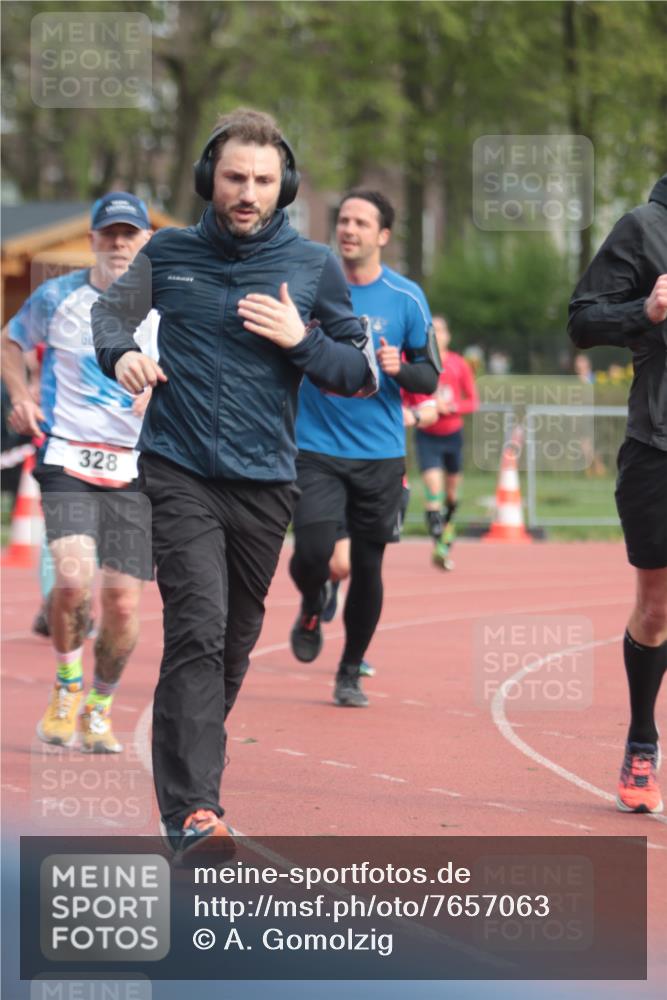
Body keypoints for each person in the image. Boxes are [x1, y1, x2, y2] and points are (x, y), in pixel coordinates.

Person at [92, 108, 376, 855]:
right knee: (196, 628)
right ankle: (191, 811)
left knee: (234, 644)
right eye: (233, 178)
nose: (246, 192)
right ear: (207, 181)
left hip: (265, 480)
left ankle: (190, 790)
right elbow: (110, 315)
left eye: (261, 180)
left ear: (283, 187)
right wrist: (119, 355)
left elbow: (359, 373)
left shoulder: (312, 266)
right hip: (178, 467)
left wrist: (302, 340)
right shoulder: (170, 253)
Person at [1, 192, 156, 753]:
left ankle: (100, 705)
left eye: (129, 234)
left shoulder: (165, 306)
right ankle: (67, 687)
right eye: (109, 233)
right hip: (69, 456)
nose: (118, 243)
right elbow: (10, 341)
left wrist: (162, 400)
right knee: (72, 578)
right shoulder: (57, 296)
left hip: (138, 469)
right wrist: (20, 396)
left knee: (121, 602)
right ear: (92, 239)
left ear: (144, 243)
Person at [289, 189, 440, 707]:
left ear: (382, 236)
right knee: (312, 554)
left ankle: (350, 669)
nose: (348, 229)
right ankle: (312, 600)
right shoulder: (306, 286)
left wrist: (402, 368)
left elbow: (432, 376)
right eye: (343, 220)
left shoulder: (405, 297)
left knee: (368, 569)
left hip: (378, 454)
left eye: (360, 222)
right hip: (314, 446)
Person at [569, 172, 667, 814]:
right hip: (658, 447)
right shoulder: (645, 228)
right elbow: (581, 322)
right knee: (656, 609)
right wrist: (647, 312)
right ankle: (641, 737)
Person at [403, 315, 479, 570]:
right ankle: (440, 544)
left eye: (441, 330)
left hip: (452, 436)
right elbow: (407, 393)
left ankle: (446, 530)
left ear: (448, 336)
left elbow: (473, 401)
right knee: (433, 490)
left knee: (451, 494)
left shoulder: (458, 365)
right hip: (427, 435)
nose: (437, 335)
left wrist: (451, 406)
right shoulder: (419, 363)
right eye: (432, 331)